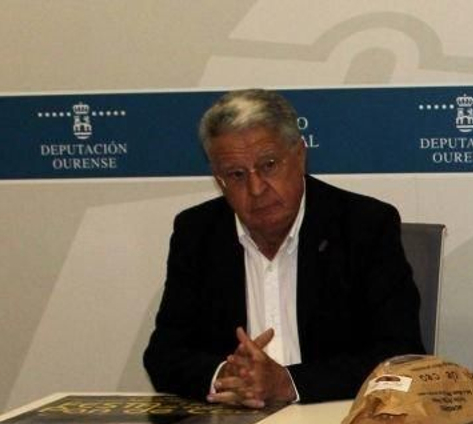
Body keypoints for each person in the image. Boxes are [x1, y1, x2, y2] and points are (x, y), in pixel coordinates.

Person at [143, 89, 423, 407]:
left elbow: (401, 355)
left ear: (300, 155)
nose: (256, 188)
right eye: (236, 174)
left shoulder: (364, 225)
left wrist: (289, 383)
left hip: (333, 423)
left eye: (269, 165)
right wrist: (227, 375)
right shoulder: (197, 232)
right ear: (218, 178)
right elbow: (164, 354)